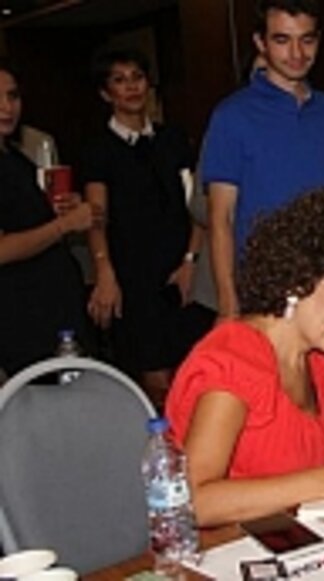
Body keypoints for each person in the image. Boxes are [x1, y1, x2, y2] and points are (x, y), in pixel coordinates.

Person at [166, 185, 324, 527]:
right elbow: (194, 502)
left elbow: (283, 473)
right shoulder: (232, 363)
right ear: (301, 277)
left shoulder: (320, 370)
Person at [202, 0, 324, 320]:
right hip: (263, 294)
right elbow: (220, 219)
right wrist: (227, 302)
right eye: (282, 40)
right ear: (260, 43)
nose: (296, 53)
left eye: (306, 40)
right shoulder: (231, 117)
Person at [82, 49, 200, 406]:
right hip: (133, 277)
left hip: (181, 270)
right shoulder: (98, 149)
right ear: (106, 93)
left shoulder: (173, 139)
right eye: (119, 80)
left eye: (136, 77)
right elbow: (95, 216)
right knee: (154, 382)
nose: (131, 87)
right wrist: (104, 271)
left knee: (192, 374)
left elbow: (198, 206)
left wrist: (192, 260)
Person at [0, 60, 101, 376]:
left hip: (53, 308)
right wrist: (64, 225)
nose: (7, 107)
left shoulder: (16, 158)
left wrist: (60, 210)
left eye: (13, 96)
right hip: (21, 317)